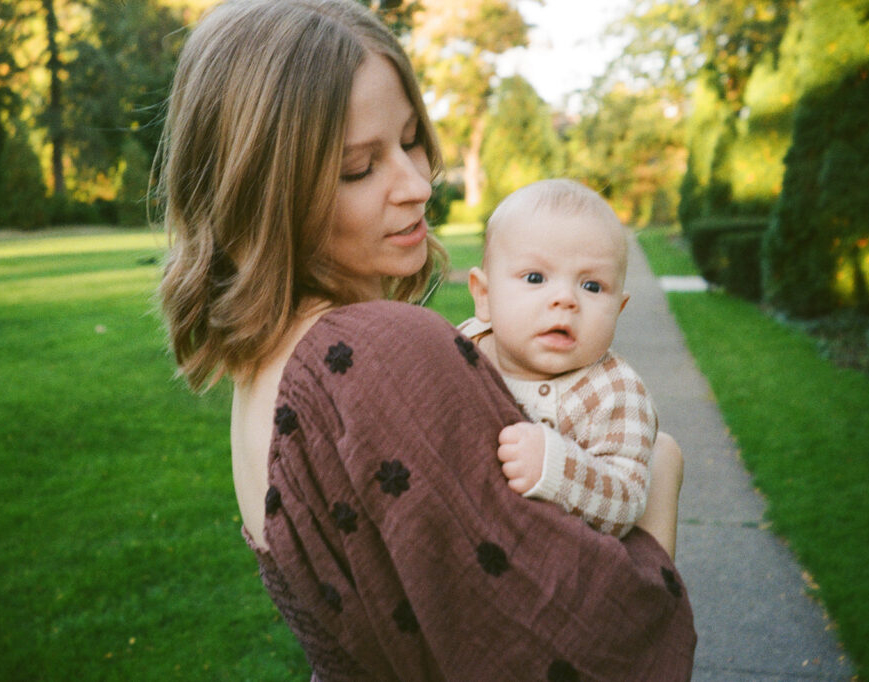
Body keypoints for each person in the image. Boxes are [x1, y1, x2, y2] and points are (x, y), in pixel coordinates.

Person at [157, 0, 695, 679]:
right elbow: (604, 647)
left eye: (411, 140)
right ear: (267, 192)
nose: (417, 184)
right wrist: (661, 482)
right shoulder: (377, 353)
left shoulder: (269, 364)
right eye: (359, 167)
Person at [459, 179, 682, 558]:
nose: (565, 299)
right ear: (484, 295)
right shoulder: (462, 349)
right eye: (535, 278)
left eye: (592, 286)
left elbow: (628, 501)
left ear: (618, 310)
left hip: (560, 567)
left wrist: (556, 467)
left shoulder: (617, 394)